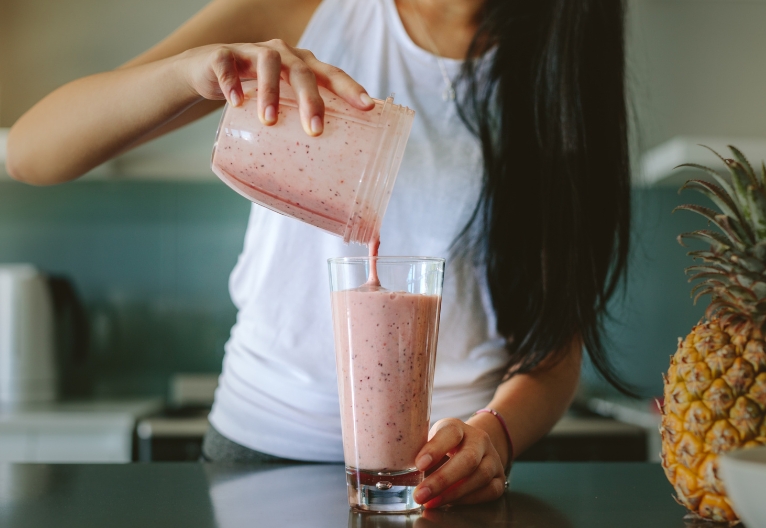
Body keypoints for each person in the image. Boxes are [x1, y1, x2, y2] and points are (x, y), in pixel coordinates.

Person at [6, 0, 631, 508]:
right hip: (257, 457)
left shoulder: (561, 73)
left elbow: (556, 348)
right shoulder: (309, 14)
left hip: (439, 480)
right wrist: (191, 71)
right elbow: (32, 153)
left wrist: (495, 434)